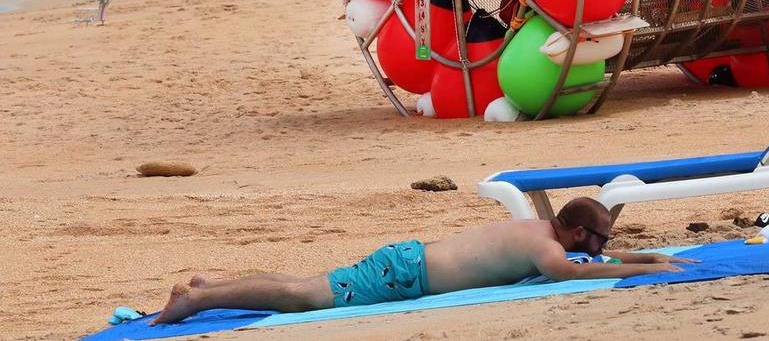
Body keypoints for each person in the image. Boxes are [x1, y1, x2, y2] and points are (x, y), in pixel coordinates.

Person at [152, 198, 693, 325]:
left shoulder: (541, 230)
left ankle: (210, 285)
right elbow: (581, 270)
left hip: (407, 261)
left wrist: (646, 254)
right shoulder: (549, 251)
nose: (602, 246)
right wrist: (647, 271)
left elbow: (597, 257)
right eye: (599, 238)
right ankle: (197, 300)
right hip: (405, 276)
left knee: (308, 285)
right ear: (577, 233)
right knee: (303, 298)